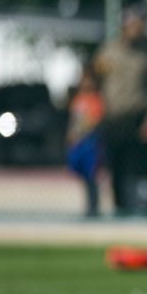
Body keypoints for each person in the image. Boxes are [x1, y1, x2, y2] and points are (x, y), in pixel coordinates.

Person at [94, 6, 147, 216]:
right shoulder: (108, 53)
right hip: (114, 118)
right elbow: (95, 83)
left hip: (137, 117)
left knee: (139, 168)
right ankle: (121, 208)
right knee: (115, 167)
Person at [65, 66, 105, 217]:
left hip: (90, 141)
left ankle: (94, 205)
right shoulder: (78, 100)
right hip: (78, 141)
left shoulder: (95, 100)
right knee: (81, 173)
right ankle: (88, 204)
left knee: (92, 174)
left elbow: (94, 120)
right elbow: (74, 119)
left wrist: (82, 132)